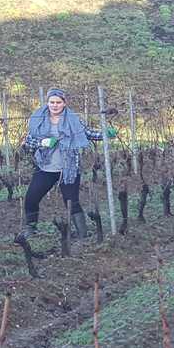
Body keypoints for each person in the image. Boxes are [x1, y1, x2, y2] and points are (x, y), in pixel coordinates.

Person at [21, 88, 116, 239]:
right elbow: (28, 142)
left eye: (58, 102)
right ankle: (30, 229)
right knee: (31, 197)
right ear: (47, 103)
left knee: (71, 200)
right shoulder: (38, 118)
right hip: (45, 168)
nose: (55, 105)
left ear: (64, 103)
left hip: (69, 167)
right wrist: (43, 142)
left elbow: (87, 133)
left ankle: (82, 234)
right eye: (52, 102)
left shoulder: (74, 120)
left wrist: (105, 134)